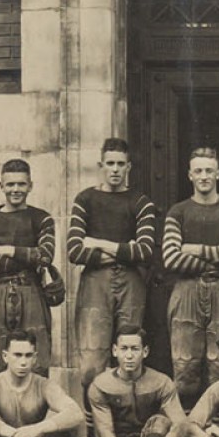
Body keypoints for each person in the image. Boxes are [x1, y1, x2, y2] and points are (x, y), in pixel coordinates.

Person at [162, 145, 219, 406]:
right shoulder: (178, 212)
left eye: (209, 171)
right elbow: (171, 258)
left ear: (218, 174)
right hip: (186, 290)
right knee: (184, 365)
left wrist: (194, 249)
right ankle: (187, 424)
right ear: (190, 175)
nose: (204, 176)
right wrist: (215, 259)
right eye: (198, 171)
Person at [66, 137, 159, 384]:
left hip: (131, 284)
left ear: (129, 166)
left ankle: (127, 408)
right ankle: (93, 409)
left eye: (120, 164)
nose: (115, 169)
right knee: (91, 361)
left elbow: (145, 250)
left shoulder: (140, 202)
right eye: (110, 163)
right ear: (101, 165)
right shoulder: (85, 200)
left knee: (130, 354)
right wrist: (125, 250)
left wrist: (97, 243)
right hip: (95, 284)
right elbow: (75, 251)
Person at [66, 323, 190, 437]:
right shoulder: (100, 385)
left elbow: (181, 422)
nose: (129, 355)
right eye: (124, 349)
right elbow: (104, 431)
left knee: (161, 421)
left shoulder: (162, 382)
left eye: (135, 349)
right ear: (115, 351)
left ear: (145, 352)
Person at [0, 157, 62, 377]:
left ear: (30, 186)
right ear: (1, 186)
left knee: (37, 363)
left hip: (32, 292)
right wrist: (29, 255)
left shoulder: (42, 219)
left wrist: (11, 250)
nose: (15, 189)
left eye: (21, 184)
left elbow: (45, 256)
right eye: (10, 184)